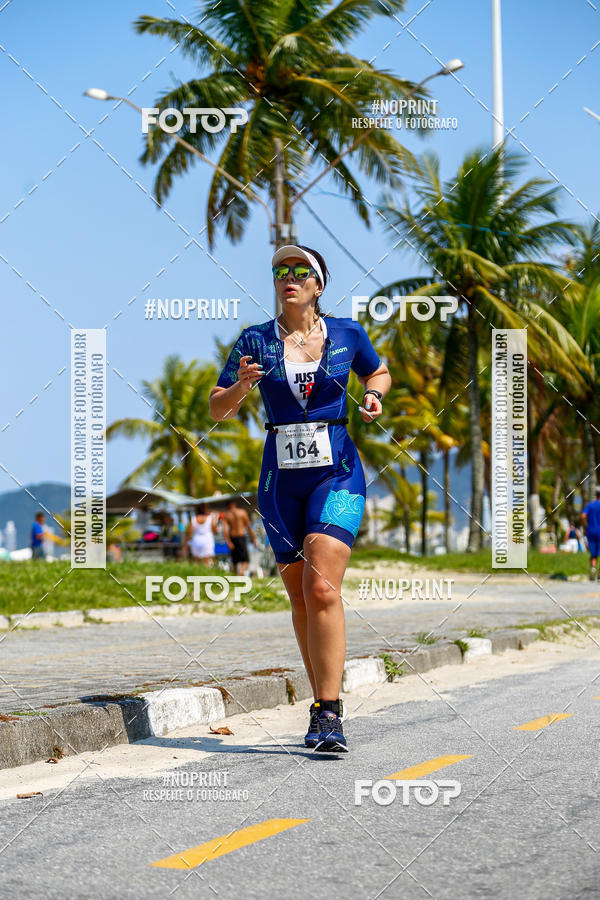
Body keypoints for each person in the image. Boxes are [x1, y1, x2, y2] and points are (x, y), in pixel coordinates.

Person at [210, 244, 390, 752]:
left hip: (339, 472)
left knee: (322, 589)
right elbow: (217, 408)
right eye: (280, 271)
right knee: (300, 597)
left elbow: (377, 371)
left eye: (299, 271)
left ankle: (330, 713)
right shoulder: (255, 340)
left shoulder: (348, 333)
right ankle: (319, 701)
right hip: (279, 482)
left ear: (318, 284)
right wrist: (241, 387)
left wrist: (374, 394)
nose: (288, 277)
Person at [222, 498, 258, 575]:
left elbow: (224, 530)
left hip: (232, 538)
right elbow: (249, 527)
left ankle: (235, 576)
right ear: (234, 504)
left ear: (227, 506)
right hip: (241, 537)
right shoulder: (242, 512)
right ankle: (241, 572)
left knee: (235, 561)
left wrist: (229, 542)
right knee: (245, 560)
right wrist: (253, 539)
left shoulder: (227, 515)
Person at [581, 487, 600, 580]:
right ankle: (599, 574)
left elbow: (583, 516)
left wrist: (585, 528)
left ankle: (593, 569)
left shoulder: (590, 505)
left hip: (591, 532)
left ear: (596, 494)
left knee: (593, 554)